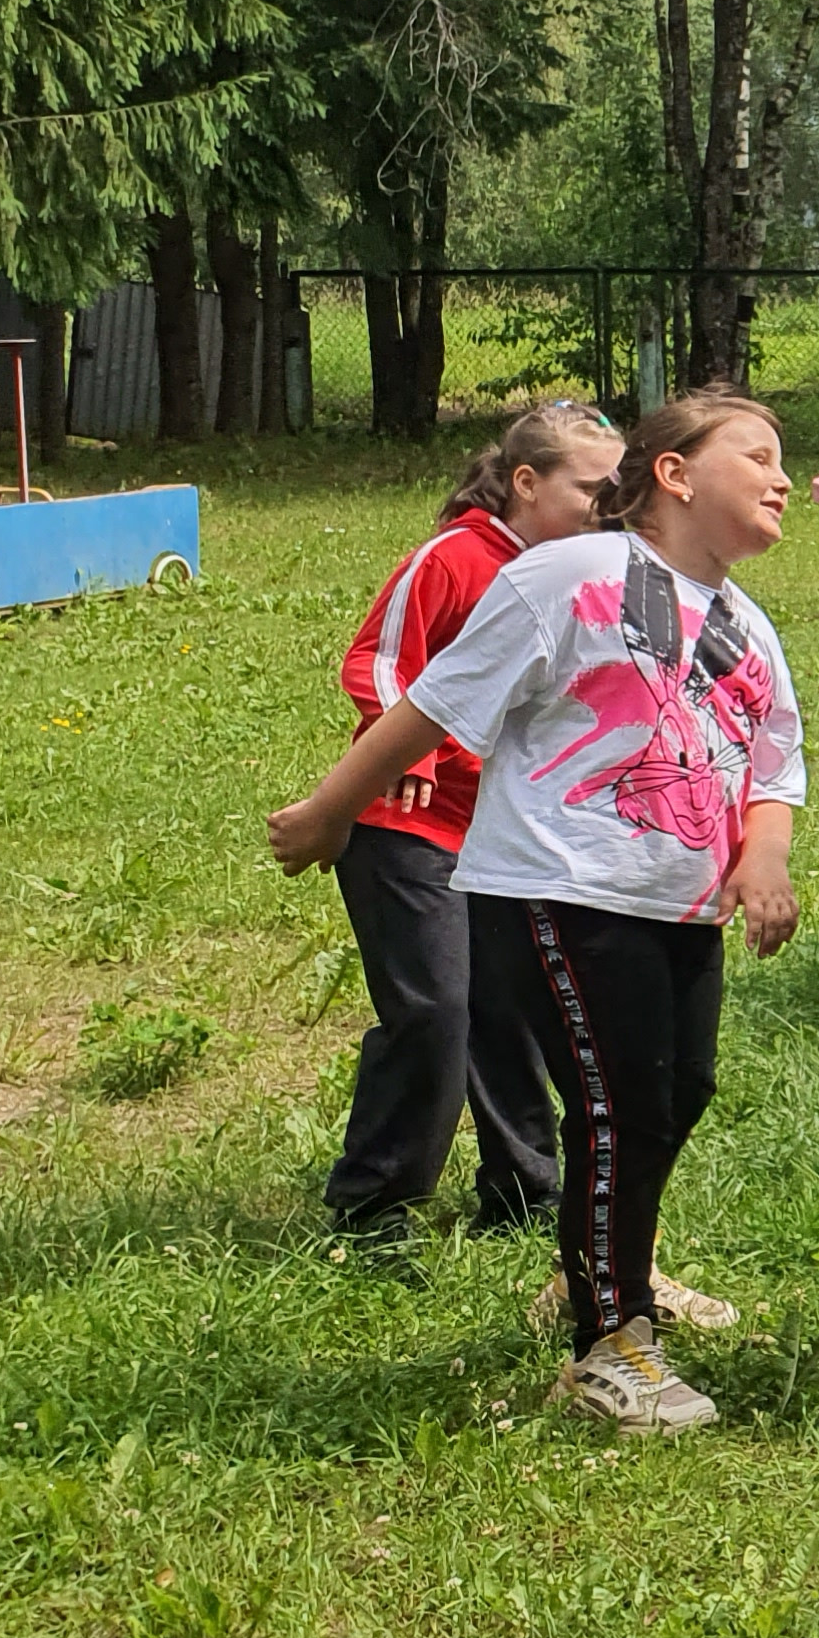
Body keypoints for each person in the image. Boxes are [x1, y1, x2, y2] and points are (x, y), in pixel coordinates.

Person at [267, 387, 809, 1435]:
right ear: (673, 474)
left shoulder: (745, 624)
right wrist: (333, 812)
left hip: (679, 905)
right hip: (561, 889)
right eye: (758, 455)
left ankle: (594, 1270)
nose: (782, 478)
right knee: (618, 1108)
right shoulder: (569, 575)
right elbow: (435, 703)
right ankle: (611, 1345)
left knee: (678, 1094)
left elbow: (774, 766)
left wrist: (765, 859)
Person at [269, 400, 620, 1248]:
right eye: (592, 489)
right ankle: (373, 1208)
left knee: (511, 1010)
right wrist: (413, 759)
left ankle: (522, 1194)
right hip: (406, 825)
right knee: (434, 1011)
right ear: (526, 482)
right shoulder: (455, 558)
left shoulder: (577, 577)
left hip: (504, 836)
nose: (607, 506)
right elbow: (382, 661)